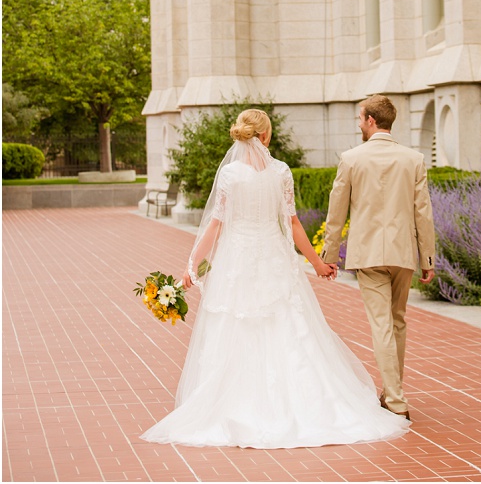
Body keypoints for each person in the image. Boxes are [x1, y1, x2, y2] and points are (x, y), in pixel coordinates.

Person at [142, 109, 409, 449]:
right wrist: (317, 263)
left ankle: (231, 403)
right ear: (266, 136)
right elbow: (293, 223)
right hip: (272, 259)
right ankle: (301, 402)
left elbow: (216, 224)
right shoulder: (280, 172)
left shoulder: (230, 175)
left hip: (236, 261)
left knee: (233, 327)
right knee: (290, 327)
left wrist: (191, 263)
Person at [321, 95, 436, 420]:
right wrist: (428, 257)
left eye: (360, 118)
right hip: (402, 253)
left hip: (369, 254)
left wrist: (329, 253)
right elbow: (423, 212)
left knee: (383, 324)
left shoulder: (351, 159)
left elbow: (336, 211)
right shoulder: (413, 159)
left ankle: (396, 400)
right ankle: (391, 393)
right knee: (397, 321)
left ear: (371, 120)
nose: (359, 123)